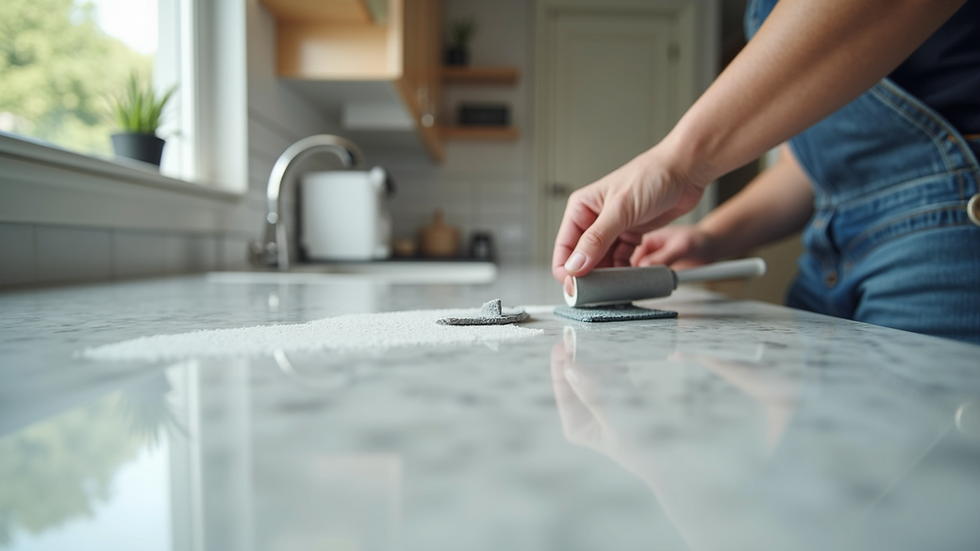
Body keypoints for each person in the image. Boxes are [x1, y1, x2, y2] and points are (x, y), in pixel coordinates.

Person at [552, 0, 980, 345]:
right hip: (825, 260)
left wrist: (678, 160)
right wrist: (712, 235)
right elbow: (813, 167)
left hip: (948, 231)